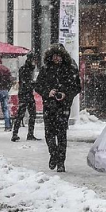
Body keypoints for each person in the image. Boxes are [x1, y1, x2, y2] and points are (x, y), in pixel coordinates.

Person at [34, 44, 80, 174]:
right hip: (49, 105)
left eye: (58, 55)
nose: (56, 58)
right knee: (49, 133)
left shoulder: (70, 69)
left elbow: (77, 87)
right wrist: (47, 92)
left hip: (63, 106)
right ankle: (53, 154)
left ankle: (61, 162)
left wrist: (65, 94)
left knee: (61, 134)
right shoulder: (46, 69)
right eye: (54, 55)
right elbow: (37, 86)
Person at [10, 55, 39, 141]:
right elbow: (26, 82)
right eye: (34, 60)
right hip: (25, 94)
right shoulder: (26, 69)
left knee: (28, 114)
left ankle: (27, 133)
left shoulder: (29, 69)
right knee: (23, 114)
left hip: (26, 93)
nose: (35, 62)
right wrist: (34, 84)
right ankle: (16, 134)